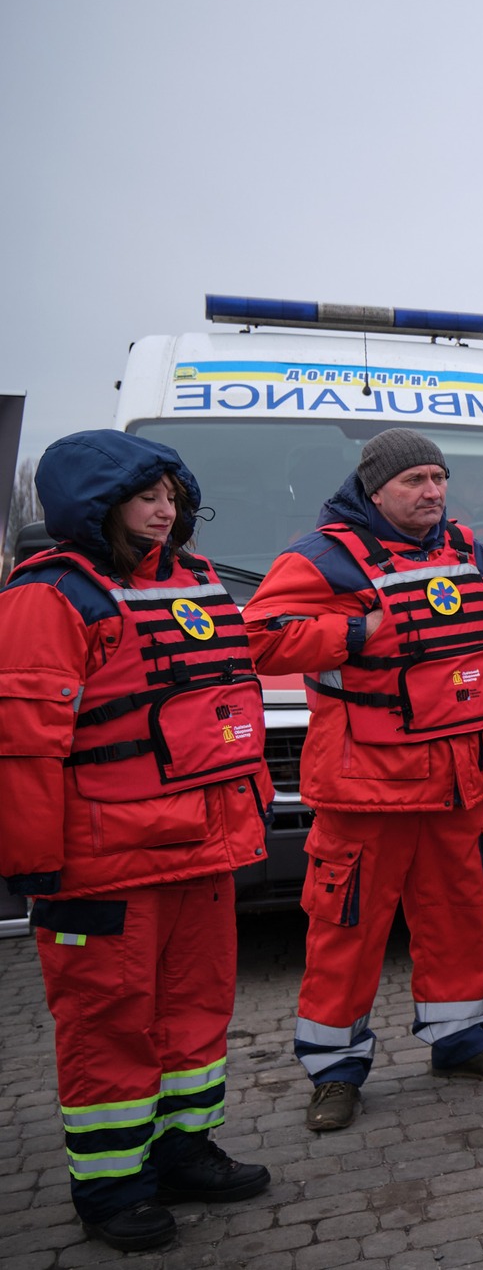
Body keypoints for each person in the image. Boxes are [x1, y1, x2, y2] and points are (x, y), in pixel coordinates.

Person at [0, 431, 272, 1251]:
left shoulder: (195, 581)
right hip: (103, 860)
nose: (166, 511)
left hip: (204, 845)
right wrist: (32, 864)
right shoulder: (50, 596)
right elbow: (22, 739)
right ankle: (112, 1183)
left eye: (173, 497)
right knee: (108, 1019)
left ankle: (184, 1147)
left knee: (194, 1010)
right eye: (147, 497)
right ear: (97, 504)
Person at [244, 428, 483, 1133]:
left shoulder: (471, 552)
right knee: (345, 931)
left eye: (439, 478)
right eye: (415, 481)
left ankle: (460, 1039)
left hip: (458, 783)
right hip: (365, 789)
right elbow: (259, 636)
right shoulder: (323, 554)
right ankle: (335, 1070)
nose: (432, 492)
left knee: (461, 919)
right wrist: (352, 632)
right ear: (375, 489)